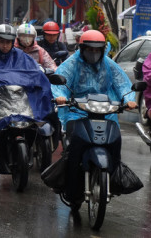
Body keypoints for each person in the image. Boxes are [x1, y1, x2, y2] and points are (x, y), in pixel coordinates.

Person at [51, 29, 137, 206]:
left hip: (105, 110)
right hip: (77, 111)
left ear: (102, 50)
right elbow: (61, 81)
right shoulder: (72, 63)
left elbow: (122, 83)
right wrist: (60, 96)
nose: (93, 53)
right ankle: (71, 183)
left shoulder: (108, 64)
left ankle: (113, 178)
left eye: (97, 50)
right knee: (74, 146)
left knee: (115, 142)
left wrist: (129, 100)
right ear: (82, 49)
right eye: (89, 49)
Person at [0, 24, 41, 161]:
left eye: (8, 42)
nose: (5, 45)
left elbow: (33, 70)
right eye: (2, 42)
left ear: (12, 42)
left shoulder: (21, 56)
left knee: (33, 119)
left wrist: (39, 75)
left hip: (16, 97)